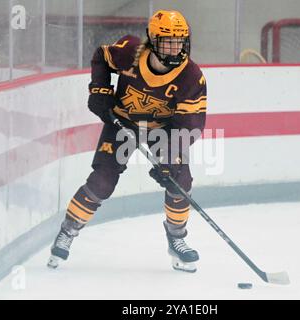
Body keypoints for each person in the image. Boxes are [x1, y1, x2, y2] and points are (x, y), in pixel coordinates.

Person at [48, 10, 207, 273]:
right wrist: (99, 89)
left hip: (163, 130)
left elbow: (191, 125)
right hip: (122, 123)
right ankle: (68, 230)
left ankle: (177, 239)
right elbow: (101, 56)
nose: (174, 48)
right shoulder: (130, 52)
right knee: (102, 181)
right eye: (168, 41)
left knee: (180, 180)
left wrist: (170, 157)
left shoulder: (191, 76)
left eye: (179, 41)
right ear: (153, 41)